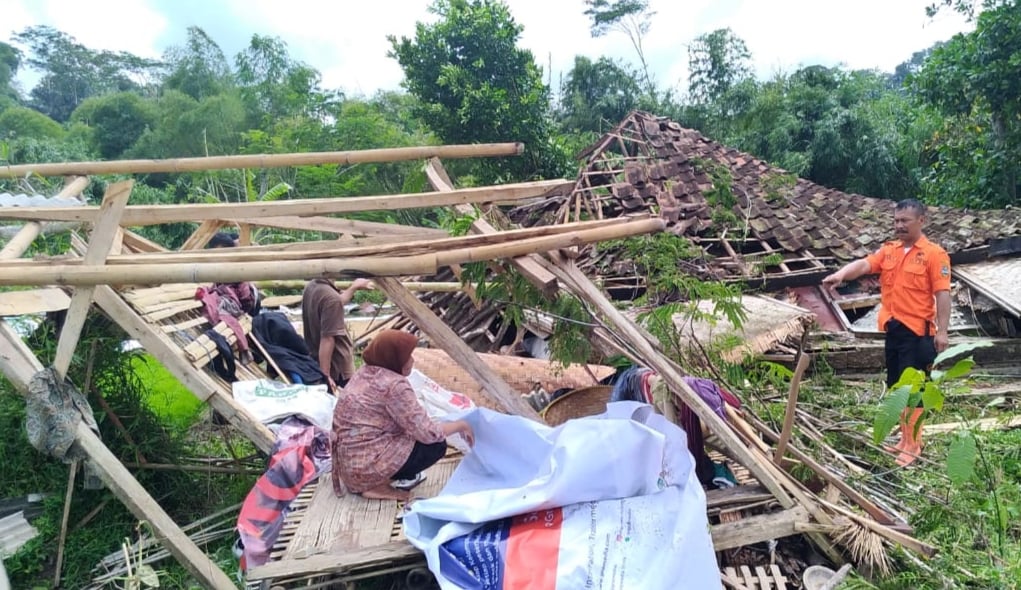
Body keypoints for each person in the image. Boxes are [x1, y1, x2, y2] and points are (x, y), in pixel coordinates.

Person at [822, 199, 951, 466]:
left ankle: (914, 445)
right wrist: (841, 274)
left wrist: (943, 332)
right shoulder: (890, 251)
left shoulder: (933, 254)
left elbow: (943, 294)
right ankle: (904, 440)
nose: (899, 225)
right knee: (897, 388)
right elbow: (865, 264)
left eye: (905, 220)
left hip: (918, 333)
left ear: (921, 221)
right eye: (896, 221)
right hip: (894, 330)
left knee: (914, 391)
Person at [331, 330, 475, 501]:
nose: (412, 361)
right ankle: (377, 485)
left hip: (350, 464)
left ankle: (372, 480)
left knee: (414, 434)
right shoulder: (394, 385)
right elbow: (428, 433)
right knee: (436, 445)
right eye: (408, 357)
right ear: (393, 358)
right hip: (367, 466)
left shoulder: (365, 372)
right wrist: (462, 425)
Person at [301, 278, 373, 390]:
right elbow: (328, 339)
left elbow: (335, 304)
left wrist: (353, 288)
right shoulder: (331, 298)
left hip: (316, 360)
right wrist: (326, 375)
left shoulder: (313, 286)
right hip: (337, 368)